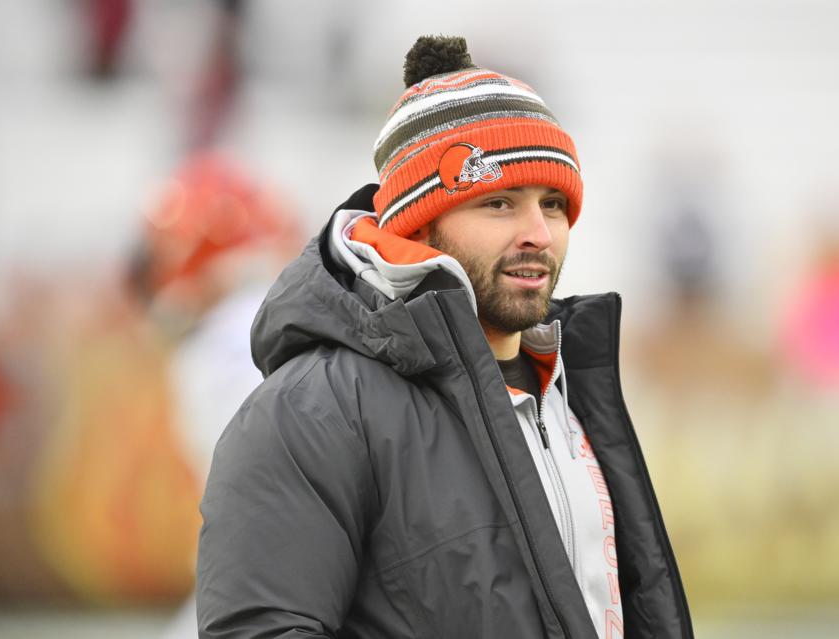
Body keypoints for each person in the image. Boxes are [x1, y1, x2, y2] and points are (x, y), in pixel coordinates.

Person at [197, 35, 692, 639]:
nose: (538, 233)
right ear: (418, 225)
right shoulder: (312, 410)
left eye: (553, 204)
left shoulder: (569, 390)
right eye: (499, 203)